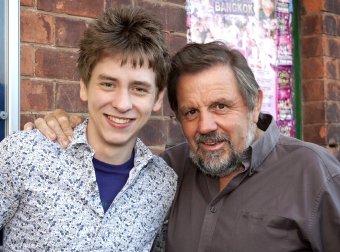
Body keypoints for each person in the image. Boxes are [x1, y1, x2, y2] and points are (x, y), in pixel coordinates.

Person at [25, 42, 340, 251]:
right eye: (191, 112)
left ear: (254, 105)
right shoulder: (169, 171)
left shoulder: (314, 174)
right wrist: (65, 126)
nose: (205, 126)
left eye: (220, 106)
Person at [0, 6, 177, 251]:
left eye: (139, 88)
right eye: (107, 84)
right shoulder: (23, 154)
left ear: (157, 99)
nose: (122, 104)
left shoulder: (163, 185)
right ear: (84, 87)